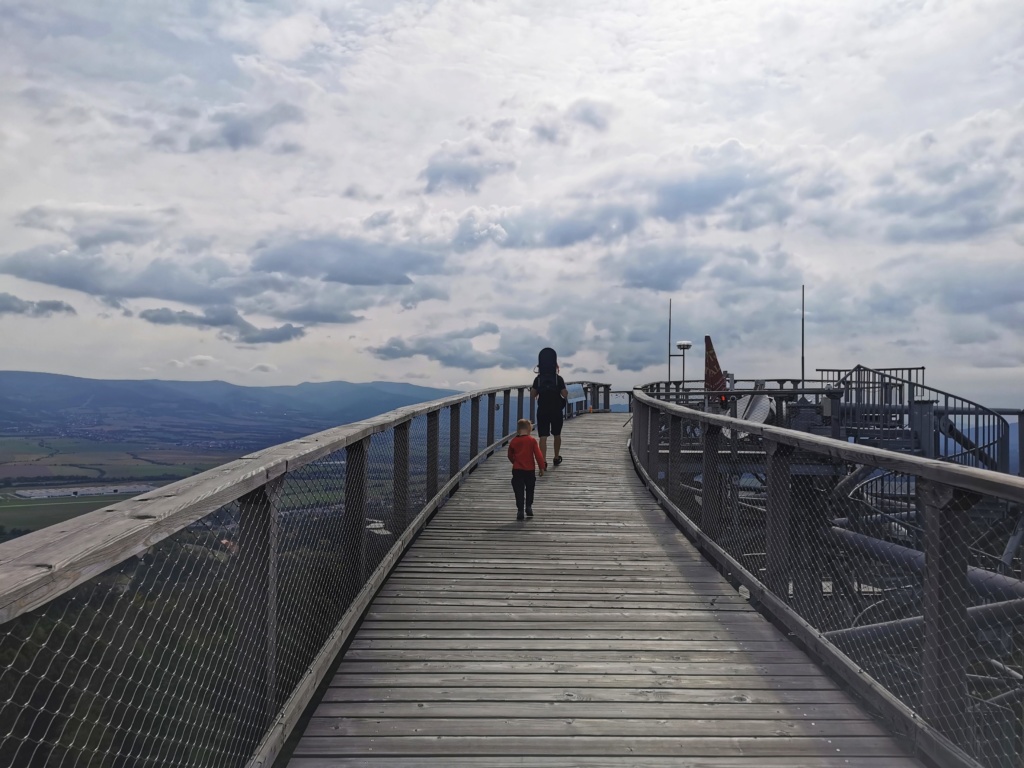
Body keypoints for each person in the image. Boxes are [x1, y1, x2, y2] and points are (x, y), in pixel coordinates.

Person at [531, 355, 568, 466]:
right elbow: (564, 394)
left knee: (543, 436)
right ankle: (556, 457)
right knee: (557, 434)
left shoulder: (538, 379)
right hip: (556, 410)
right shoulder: (558, 379)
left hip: (542, 410)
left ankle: (543, 461)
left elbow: (533, 394)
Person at [507, 418, 546, 520]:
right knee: (530, 489)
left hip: (517, 470)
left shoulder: (514, 441)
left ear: (518, 430)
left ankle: (520, 510)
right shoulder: (532, 440)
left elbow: (510, 455)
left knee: (518, 490)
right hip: (530, 470)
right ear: (529, 430)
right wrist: (541, 467)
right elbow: (538, 455)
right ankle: (528, 507)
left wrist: (514, 462)